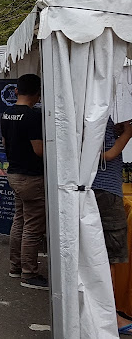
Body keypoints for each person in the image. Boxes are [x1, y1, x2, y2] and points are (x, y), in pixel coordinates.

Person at [1, 73, 47, 290]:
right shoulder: (33, 117)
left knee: (19, 220)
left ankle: (15, 266)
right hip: (31, 177)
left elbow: (4, 142)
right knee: (32, 227)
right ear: (38, 94)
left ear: (17, 91)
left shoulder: (7, 114)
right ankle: (29, 273)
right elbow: (39, 150)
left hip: (14, 174)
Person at [92, 117, 132, 333]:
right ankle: (111, 316)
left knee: (102, 254)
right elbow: (104, 156)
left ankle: (104, 312)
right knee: (111, 255)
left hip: (97, 189)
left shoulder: (86, 107)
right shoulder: (95, 112)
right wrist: (127, 134)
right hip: (106, 190)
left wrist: (116, 132)